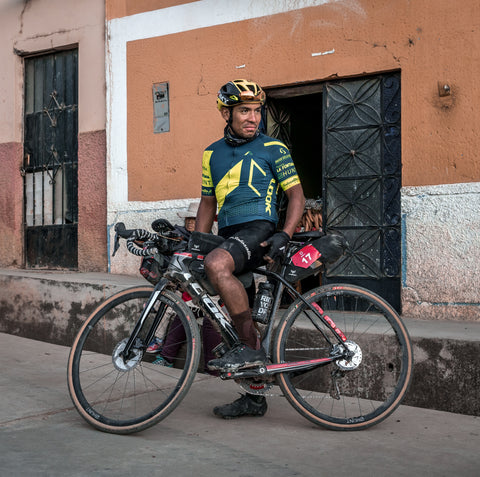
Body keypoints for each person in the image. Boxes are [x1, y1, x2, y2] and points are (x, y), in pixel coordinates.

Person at [195, 79, 305, 418]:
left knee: (217, 266)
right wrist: (197, 243)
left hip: (259, 230)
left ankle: (250, 352)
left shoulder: (274, 149)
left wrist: (284, 234)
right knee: (235, 319)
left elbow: (297, 197)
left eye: (257, 111)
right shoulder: (211, 154)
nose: (253, 118)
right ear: (227, 113)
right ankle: (254, 397)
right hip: (229, 236)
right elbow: (207, 203)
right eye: (245, 111)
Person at [146, 202, 222, 373]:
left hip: (213, 294)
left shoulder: (213, 242)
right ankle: (166, 358)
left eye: (194, 219)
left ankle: (212, 368)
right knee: (183, 315)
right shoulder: (178, 238)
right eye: (188, 219)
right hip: (191, 293)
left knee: (212, 321)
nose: (189, 222)